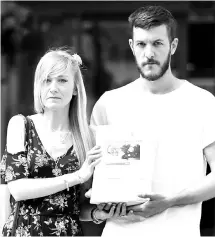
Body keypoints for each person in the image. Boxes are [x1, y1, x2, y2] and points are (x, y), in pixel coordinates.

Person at [90, 5, 215, 237]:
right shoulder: (109, 103)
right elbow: (92, 176)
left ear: (173, 46)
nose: (149, 53)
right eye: (141, 44)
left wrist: (170, 201)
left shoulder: (201, 102)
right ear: (132, 46)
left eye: (157, 43)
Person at [0, 48, 125, 236]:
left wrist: (97, 213)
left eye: (62, 80)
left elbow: (75, 206)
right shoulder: (21, 125)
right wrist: (77, 176)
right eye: (47, 80)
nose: (53, 88)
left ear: (75, 88)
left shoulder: (87, 137)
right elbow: (17, 189)